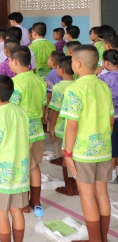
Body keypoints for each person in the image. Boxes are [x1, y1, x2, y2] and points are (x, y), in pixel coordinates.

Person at [60, 45, 114, 242]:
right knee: (102, 192)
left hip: (82, 151)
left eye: (72, 61)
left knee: (87, 195)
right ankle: (102, 238)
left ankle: (94, 240)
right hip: (103, 148)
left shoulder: (74, 89)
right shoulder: (103, 86)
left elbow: (72, 126)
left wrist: (67, 153)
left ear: (79, 64)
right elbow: (110, 120)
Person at [0, 75, 30, 242]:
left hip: (1, 175)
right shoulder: (21, 112)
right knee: (17, 211)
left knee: (1, 213)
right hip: (20, 173)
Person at [8, 46, 47, 211]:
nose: (9, 63)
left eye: (9, 60)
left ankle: (23, 203)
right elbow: (44, 104)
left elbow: (12, 108)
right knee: (34, 165)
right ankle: (36, 201)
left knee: (21, 166)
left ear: (15, 61)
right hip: (37, 128)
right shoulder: (39, 80)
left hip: (21, 130)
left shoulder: (15, 83)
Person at [48, 57, 77, 196]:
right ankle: (76, 187)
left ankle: (69, 188)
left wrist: (51, 127)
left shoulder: (58, 87)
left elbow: (55, 110)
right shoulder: (78, 84)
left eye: (58, 68)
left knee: (65, 158)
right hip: (76, 128)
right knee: (75, 158)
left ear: (62, 70)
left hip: (62, 128)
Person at [99, 50, 118, 184]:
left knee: (112, 145)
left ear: (106, 62)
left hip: (111, 116)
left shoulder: (104, 78)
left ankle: (112, 173)